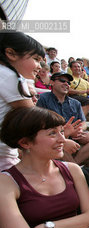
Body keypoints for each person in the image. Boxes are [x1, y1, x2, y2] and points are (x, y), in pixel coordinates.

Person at [0, 32, 44, 171]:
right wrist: (63, 138)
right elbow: (32, 117)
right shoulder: (10, 76)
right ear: (11, 54)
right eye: (36, 59)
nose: (39, 66)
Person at [37, 72, 89, 166]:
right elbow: (41, 124)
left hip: (74, 133)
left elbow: (84, 122)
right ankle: (73, 169)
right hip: (54, 133)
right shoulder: (43, 99)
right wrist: (64, 132)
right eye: (62, 81)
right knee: (59, 140)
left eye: (68, 83)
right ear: (52, 82)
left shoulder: (75, 103)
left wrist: (79, 129)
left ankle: (75, 165)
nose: (66, 84)